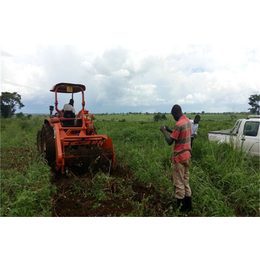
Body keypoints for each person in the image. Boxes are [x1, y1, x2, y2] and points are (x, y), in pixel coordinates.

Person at [160, 104, 192, 213]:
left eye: (173, 115)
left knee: (179, 184)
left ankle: (181, 210)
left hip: (179, 158)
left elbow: (170, 142)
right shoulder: (187, 121)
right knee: (186, 182)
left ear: (176, 113)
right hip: (187, 156)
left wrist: (164, 131)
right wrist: (170, 130)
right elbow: (178, 135)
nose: (173, 117)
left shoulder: (178, 124)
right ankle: (189, 207)